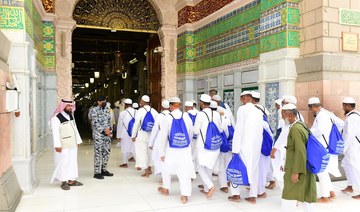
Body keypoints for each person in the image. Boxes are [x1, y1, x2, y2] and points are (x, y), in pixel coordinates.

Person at [157, 97, 196, 204]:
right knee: (185, 172)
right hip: (185, 150)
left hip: (171, 149)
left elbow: (163, 137)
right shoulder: (187, 117)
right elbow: (191, 133)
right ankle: (184, 196)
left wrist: (161, 153)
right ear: (179, 105)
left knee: (166, 168)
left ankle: (166, 189)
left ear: (170, 106)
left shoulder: (167, 118)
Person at [228, 91, 263, 204]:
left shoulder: (242, 109)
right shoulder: (258, 110)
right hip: (256, 146)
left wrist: (235, 149)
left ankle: (236, 194)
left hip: (244, 145)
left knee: (236, 167)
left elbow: (239, 130)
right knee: (254, 168)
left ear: (243, 98)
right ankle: (253, 196)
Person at [281, 103, 317, 212]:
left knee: (289, 197)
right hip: (302, 167)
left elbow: (300, 151)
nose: (282, 118)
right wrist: (284, 163)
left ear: (290, 116)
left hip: (298, 169)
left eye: (283, 115)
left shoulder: (296, 129)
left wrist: (296, 172)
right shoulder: (301, 125)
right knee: (306, 197)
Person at [307, 97, 344, 202]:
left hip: (322, 147)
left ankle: (325, 197)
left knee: (321, 171)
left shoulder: (321, 115)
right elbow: (341, 123)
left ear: (313, 107)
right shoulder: (328, 113)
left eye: (310, 109)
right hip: (329, 146)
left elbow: (320, 131)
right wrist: (331, 135)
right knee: (325, 171)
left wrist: (308, 131)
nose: (310, 111)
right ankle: (331, 193)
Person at [194, 94, 223, 198]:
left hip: (203, 145)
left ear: (201, 103)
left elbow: (196, 130)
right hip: (215, 145)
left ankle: (210, 186)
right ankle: (207, 189)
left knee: (199, 166)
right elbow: (221, 129)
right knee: (209, 167)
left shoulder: (200, 114)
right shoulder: (216, 114)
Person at [50, 98, 83, 190]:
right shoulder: (56, 118)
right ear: (63, 106)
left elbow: (75, 129)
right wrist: (57, 145)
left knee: (72, 162)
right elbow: (55, 133)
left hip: (72, 144)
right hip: (63, 145)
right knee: (63, 162)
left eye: (71, 106)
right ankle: (63, 181)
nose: (70, 108)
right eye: (68, 106)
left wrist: (78, 140)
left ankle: (71, 180)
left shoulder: (71, 116)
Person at [251, 91, 274, 196]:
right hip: (264, 141)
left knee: (260, 167)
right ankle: (257, 189)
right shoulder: (263, 108)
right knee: (262, 166)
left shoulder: (254, 111)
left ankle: (260, 191)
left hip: (260, 142)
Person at [131, 95, 158, 177]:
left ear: (142, 102)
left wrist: (133, 135)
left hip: (142, 136)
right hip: (151, 136)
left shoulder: (140, 111)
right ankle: (149, 169)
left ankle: (146, 173)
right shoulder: (154, 111)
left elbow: (136, 124)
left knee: (142, 153)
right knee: (150, 153)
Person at [90, 95, 114, 179]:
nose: (104, 102)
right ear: (98, 102)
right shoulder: (94, 110)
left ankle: (104, 169)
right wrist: (104, 131)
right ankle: (97, 172)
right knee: (98, 153)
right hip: (98, 135)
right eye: (102, 101)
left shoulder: (107, 110)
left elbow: (109, 122)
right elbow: (95, 123)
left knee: (106, 153)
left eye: (105, 101)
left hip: (107, 135)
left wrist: (109, 131)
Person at [341, 97, 360, 200]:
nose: (343, 107)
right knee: (346, 165)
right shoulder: (353, 116)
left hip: (352, 147)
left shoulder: (353, 117)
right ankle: (350, 186)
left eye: (344, 105)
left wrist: (343, 149)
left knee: (356, 168)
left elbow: (350, 135)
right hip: (351, 147)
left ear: (348, 106)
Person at [148, 100, 170, 176]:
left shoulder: (160, 116)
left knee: (159, 155)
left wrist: (151, 143)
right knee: (167, 155)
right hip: (170, 137)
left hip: (160, 137)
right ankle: (167, 174)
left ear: (162, 107)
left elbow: (154, 130)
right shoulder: (171, 115)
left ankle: (162, 175)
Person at [117, 98, 136, 168]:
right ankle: (139, 163)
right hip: (134, 133)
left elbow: (119, 125)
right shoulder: (136, 112)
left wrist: (118, 136)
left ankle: (125, 163)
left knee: (124, 148)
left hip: (125, 133)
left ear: (125, 105)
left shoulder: (123, 113)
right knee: (134, 148)